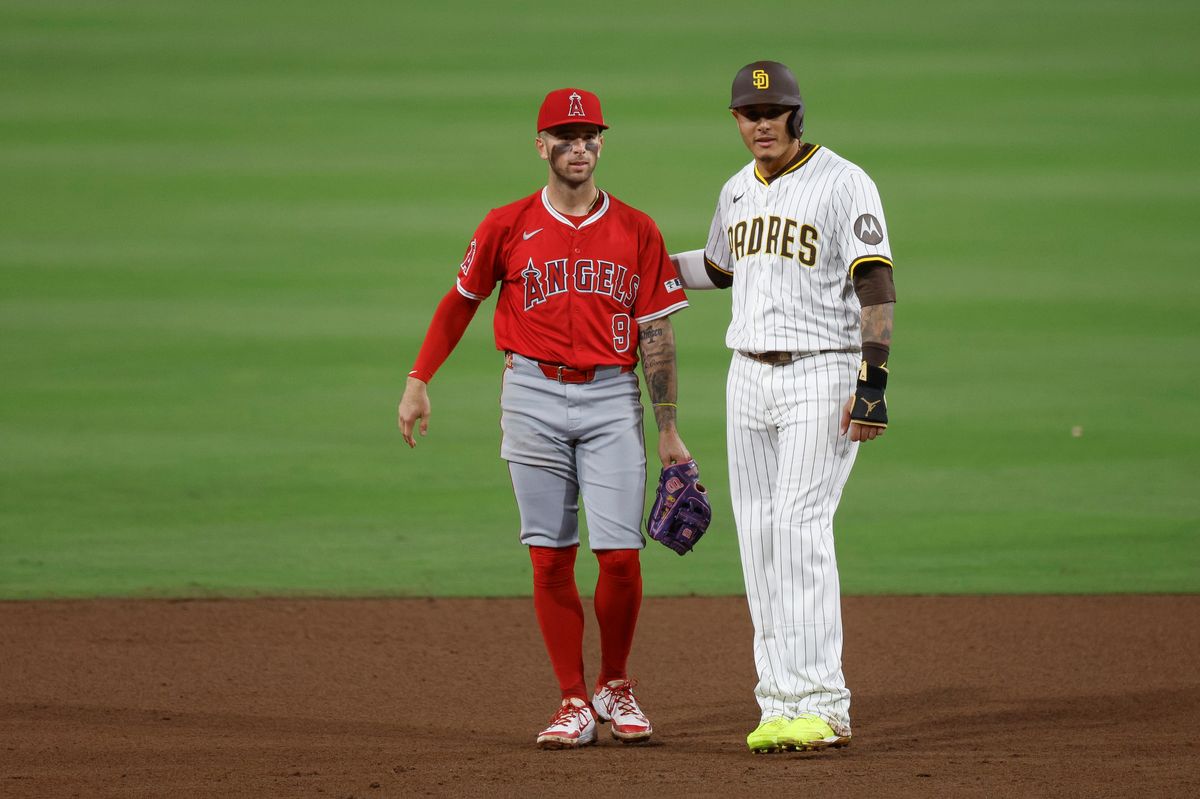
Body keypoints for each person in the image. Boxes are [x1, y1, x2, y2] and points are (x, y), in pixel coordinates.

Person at [397, 87, 692, 750]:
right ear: (542, 146)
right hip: (529, 393)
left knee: (619, 555)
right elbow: (459, 302)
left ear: (601, 144)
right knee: (549, 557)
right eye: (565, 137)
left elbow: (657, 333)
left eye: (589, 136)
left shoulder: (638, 229)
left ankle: (615, 684)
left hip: (614, 398)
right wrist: (419, 380)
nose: (579, 148)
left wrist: (666, 424)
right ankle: (572, 700)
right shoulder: (506, 224)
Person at [670, 60, 896, 754]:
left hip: (822, 373)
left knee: (799, 530)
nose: (762, 125)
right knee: (759, 539)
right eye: (749, 114)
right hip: (747, 377)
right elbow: (717, 268)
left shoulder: (843, 181)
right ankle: (779, 700)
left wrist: (874, 382)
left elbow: (877, 286)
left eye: (774, 113)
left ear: (797, 116)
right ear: (736, 120)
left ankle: (823, 701)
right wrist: (637, 270)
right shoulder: (737, 190)